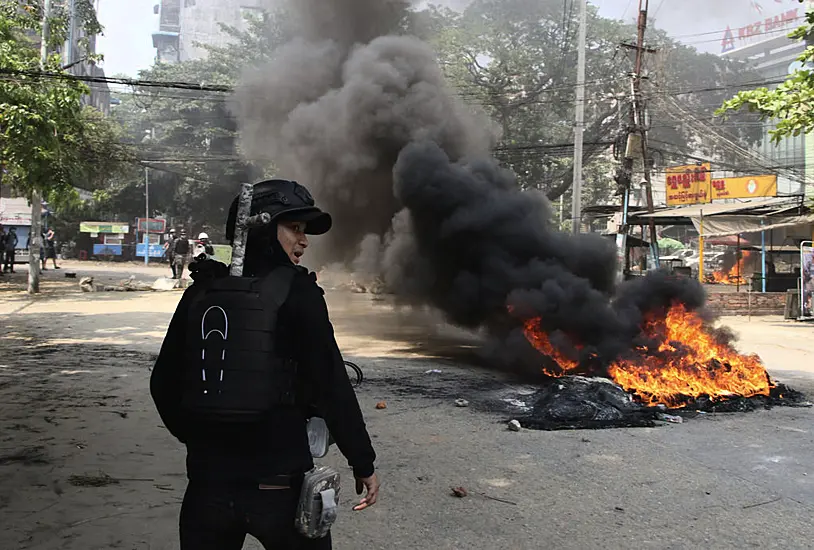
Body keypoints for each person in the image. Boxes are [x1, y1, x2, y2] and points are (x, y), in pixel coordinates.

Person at [150, 179, 378, 549]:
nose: (304, 241)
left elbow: (163, 384)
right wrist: (362, 462)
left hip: (207, 490)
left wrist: (201, 438)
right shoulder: (298, 292)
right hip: (280, 491)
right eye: (295, 228)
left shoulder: (200, 292)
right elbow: (331, 384)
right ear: (264, 228)